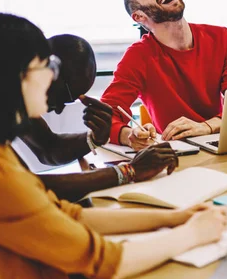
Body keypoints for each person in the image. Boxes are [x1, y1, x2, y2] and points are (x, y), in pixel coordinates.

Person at [0, 11, 227, 279]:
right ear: (9, 78)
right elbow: (104, 261)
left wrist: (175, 218)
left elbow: (67, 214)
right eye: (45, 66)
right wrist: (193, 233)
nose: (50, 76)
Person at [18, 34, 178, 202]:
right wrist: (129, 171)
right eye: (63, 97)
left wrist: (93, 139)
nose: (57, 110)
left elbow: (48, 149)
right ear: (46, 71)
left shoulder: (14, 103)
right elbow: (27, 185)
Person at [101, 0, 227, 151]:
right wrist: (130, 136)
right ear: (139, 17)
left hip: (221, 144)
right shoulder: (138, 56)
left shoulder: (223, 38)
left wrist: (207, 126)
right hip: (175, 153)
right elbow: (103, 117)